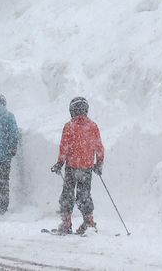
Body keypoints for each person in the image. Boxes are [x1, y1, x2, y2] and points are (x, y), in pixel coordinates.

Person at [50, 95, 103, 234]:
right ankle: (89, 221)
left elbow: (64, 147)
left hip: (71, 167)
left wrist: (60, 163)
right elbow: (99, 147)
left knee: (67, 195)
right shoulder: (93, 126)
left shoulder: (69, 126)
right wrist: (99, 163)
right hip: (87, 168)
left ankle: (66, 223)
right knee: (84, 195)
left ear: (72, 110)